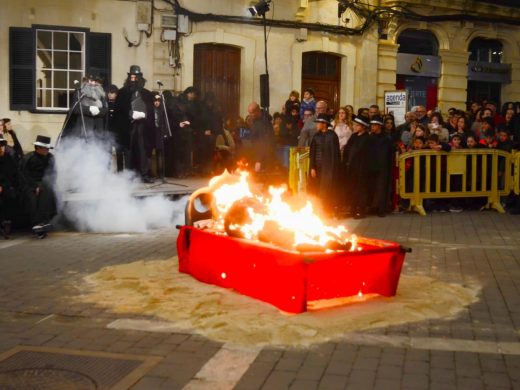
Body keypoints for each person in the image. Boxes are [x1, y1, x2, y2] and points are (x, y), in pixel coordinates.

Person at [115, 65, 155, 182]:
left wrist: (144, 114)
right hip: (128, 126)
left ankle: (144, 175)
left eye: (136, 77)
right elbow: (119, 109)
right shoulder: (122, 93)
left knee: (142, 150)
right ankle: (129, 176)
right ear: (129, 78)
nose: (134, 80)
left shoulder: (146, 93)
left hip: (142, 127)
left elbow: (151, 109)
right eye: (132, 77)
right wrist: (130, 114)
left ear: (140, 79)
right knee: (129, 150)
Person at [20, 135, 56, 236]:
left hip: (45, 183)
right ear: (38, 148)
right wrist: (34, 186)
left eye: (48, 148)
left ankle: (44, 221)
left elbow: (53, 173)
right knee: (33, 198)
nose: (47, 150)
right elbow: (23, 175)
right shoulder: (28, 158)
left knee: (49, 194)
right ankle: (36, 223)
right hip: (29, 184)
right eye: (45, 148)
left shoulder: (51, 157)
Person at [308, 113, 341, 217]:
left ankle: (328, 210)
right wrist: (312, 167)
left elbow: (335, 155)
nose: (317, 125)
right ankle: (319, 210)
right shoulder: (316, 136)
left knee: (328, 190)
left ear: (324, 124)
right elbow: (312, 153)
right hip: (318, 168)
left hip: (329, 169)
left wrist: (334, 170)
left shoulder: (332, 136)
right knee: (317, 189)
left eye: (318, 123)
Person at [60, 73, 108, 143]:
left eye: (96, 81)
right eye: (90, 81)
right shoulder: (79, 93)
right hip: (82, 130)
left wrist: (98, 111)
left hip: (97, 130)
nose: (93, 83)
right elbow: (75, 109)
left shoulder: (101, 95)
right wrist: (89, 109)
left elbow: (105, 110)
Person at [343, 114, 371, 219]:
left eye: (357, 125)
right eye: (354, 125)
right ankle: (353, 209)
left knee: (361, 190)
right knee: (352, 189)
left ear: (363, 126)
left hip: (362, 169)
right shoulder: (354, 136)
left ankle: (361, 211)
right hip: (352, 168)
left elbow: (367, 155)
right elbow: (348, 149)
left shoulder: (367, 138)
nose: (355, 127)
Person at [367, 116, 393, 217]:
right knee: (372, 188)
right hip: (372, 167)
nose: (372, 127)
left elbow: (388, 153)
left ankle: (382, 209)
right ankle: (373, 207)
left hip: (383, 167)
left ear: (379, 126)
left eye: (374, 125)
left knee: (382, 188)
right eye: (371, 125)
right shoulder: (370, 137)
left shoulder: (386, 138)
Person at [0, 134, 20, 239]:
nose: (1, 148)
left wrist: (4, 186)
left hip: (7, 187)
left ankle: (6, 222)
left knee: (9, 196)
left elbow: (13, 176)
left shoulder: (8, 159)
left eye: (2, 145)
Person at [247, 101, 275, 172]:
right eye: (249, 113)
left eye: (251, 113)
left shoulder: (265, 122)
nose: (250, 115)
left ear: (257, 111)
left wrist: (259, 160)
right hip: (257, 154)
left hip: (264, 157)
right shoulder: (255, 121)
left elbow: (265, 142)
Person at [149, 93, 171, 181]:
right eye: (155, 101)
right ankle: (150, 173)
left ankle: (161, 174)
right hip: (151, 132)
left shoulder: (162, 110)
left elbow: (165, 122)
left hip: (159, 133)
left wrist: (165, 132)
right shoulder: (150, 110)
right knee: (149, 154)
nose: (157, 103)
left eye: (158, 101)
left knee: (160, 154)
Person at [106, 84, 127, 172]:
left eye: (112, 93)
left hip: (118, 133)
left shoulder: (120, 104)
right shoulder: (105, 104)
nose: (110, 95)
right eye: (109, 93)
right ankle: (106, 172)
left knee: (119, 153)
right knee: (107, 153)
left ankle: (120, 172)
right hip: (107, 132)